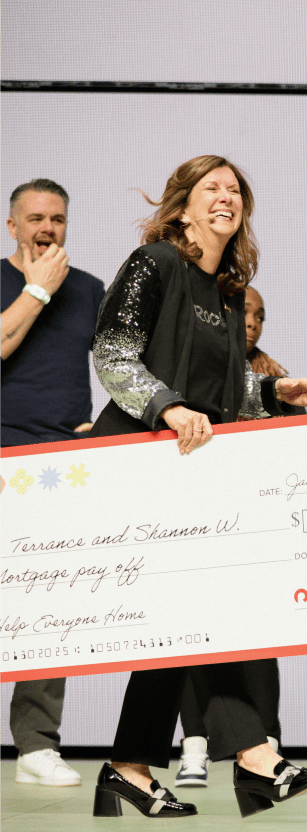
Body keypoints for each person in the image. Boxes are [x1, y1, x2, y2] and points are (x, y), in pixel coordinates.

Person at [88, 155, 307, 819]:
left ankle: (129, 768)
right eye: (211, 188)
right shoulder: (155, 262)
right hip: (141, 458)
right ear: (183, 206)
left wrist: (271, 390)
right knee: (198, 613)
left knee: (183, 621)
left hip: (193, 470)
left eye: (235, 190)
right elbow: (112, 352)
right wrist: (164, 404)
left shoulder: (225, 289)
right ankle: (255, 759)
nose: (226, 197)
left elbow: (220, 394)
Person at [1, 178, 105, 789]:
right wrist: (38, 289)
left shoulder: (90, 289)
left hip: (56, 468)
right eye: (36, 218)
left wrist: (99, 426)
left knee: (49, 605)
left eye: (58, 219)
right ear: (12, 225)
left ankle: (36, 745)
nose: (48, 228)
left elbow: (118, 365)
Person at [173, 285, 292, 788]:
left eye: (259, 316)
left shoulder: (275, 379)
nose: (251, 323)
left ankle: (267, 741)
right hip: (195, 513)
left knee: (259, 637)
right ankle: (194, 745)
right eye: (243, 313)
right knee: (189, 633)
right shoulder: (188, 369)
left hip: (254, 519)